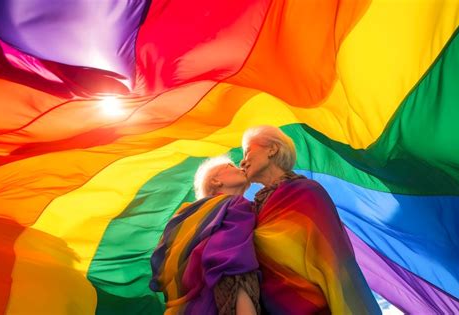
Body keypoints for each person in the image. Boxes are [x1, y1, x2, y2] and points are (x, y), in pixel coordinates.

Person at [240, 125, 381, 315]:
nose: (242, 162)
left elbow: (333, 257)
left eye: (248, 151)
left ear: (272, 149)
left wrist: (241, 241)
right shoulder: (252, 211)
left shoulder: (306, 191)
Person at [150, 155, 260, 315]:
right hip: (217, 291)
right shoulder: (235, 205)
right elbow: (234, 258)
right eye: (231, 166)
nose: (241, 166)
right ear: (216, 181)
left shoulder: (186, 214)